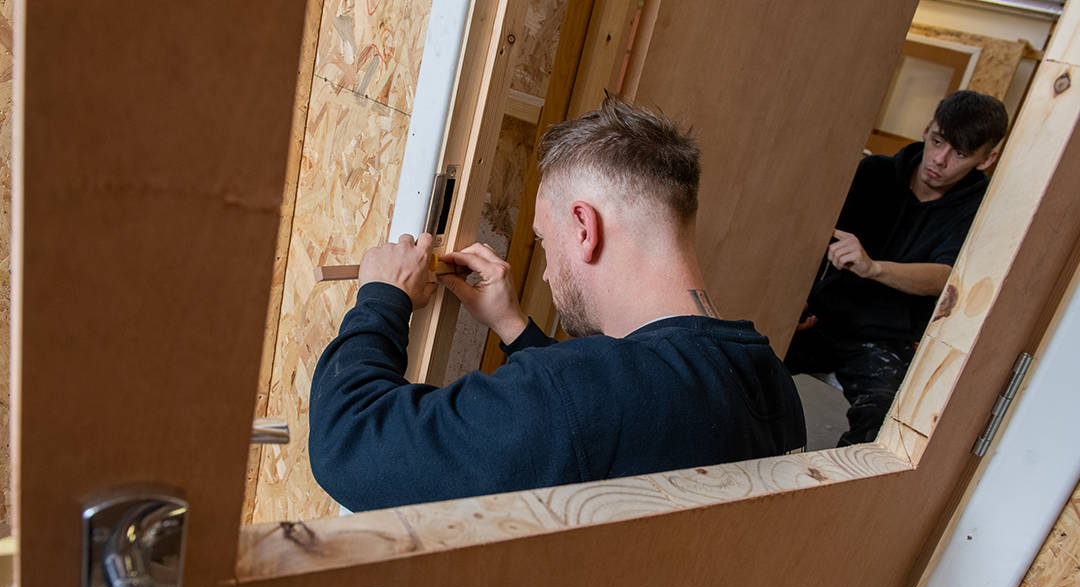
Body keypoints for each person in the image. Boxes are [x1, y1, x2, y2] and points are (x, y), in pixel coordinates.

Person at [308, 97, 805, 512]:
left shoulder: (583, 393)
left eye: (545, 241)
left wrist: (382, 297)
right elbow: (613, 423)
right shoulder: (770, 381)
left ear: (585, 228)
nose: (544, 272)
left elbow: (348, 441)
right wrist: (514, 328)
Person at [786, 90, 1008, 447]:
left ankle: (832, 498)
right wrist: (794, 300)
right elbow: (814, 240)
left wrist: (873, 268)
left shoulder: (981, 212)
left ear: (986, 160)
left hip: (885, 336)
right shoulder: (874, 173)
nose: (939, 159)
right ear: (927, 128)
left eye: (960, 154)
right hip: (824, 315)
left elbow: (944, 278)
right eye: (937, 141)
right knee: (740, 366)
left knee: (883, 422)